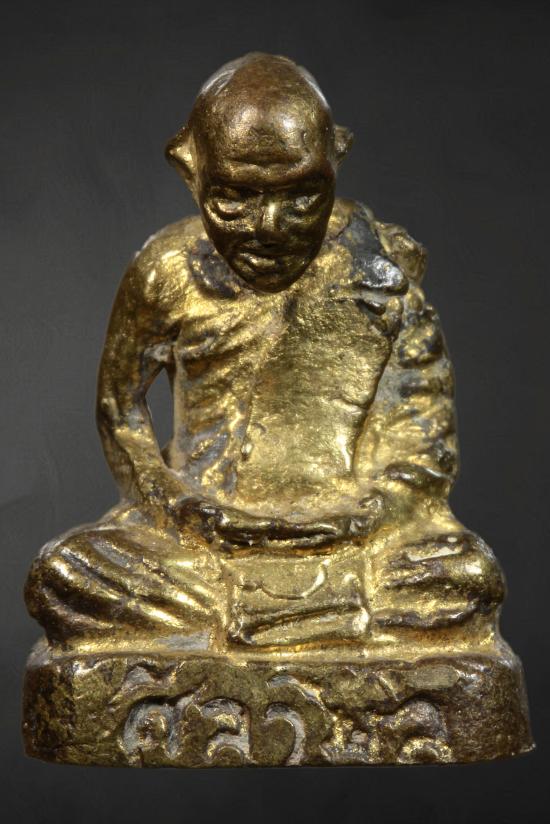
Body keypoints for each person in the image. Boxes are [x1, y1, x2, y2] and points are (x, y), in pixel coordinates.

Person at [25, 53, 503, 653]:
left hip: (350, 544)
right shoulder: (166, 270)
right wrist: (177, 503)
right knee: (64, 574)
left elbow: (423, 438)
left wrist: (370, 514)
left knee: (467, 577)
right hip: (199, 545)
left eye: (302, 196)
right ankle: (304, 620)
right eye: (235, 198)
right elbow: (120, 408)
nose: (270, 226)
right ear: (190, 168)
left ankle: (258, 618)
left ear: (336, 160)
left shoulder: (378, 270)